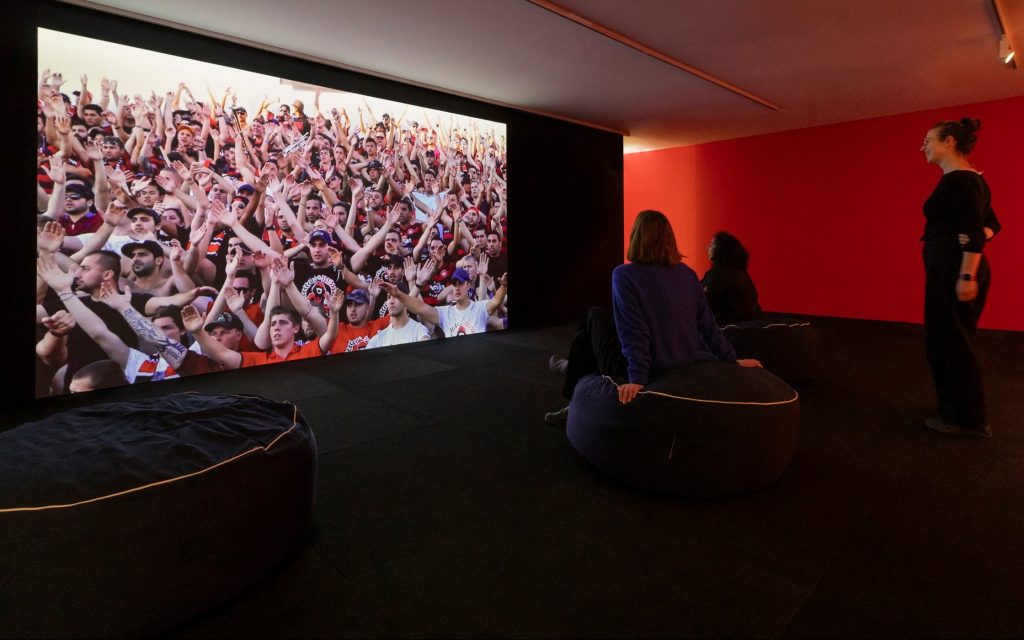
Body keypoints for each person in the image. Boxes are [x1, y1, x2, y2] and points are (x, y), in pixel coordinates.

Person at [545, 210, 760, 426]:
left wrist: (637, 378)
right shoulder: (687, 274)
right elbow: (708, 326)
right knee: (587, 337)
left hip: (648, 366)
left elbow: (634, 331)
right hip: (685, 358)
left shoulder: (624, 275)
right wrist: (731, 358)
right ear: (670, 238)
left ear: (636, 237)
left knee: (593, 316)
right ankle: (573, 367)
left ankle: (574, 396)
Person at [918, 117, 998, 438]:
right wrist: (976, 237)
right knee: (949, 339)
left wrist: (967, 273)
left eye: (928, 140)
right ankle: (955, 409)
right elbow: (992, 225)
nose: (922, 147)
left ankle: (967, 419)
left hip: (955, 269)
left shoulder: (960, 181)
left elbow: (977, 232)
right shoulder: (970, 179)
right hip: (951, 265)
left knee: (953, 342)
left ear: (948, 141)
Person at [701, 231, 763, 325]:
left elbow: (703, 301)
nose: (708, 248)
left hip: (726, 328)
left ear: (721, 250)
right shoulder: (742, 275)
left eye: (711, 245)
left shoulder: (720, 275)